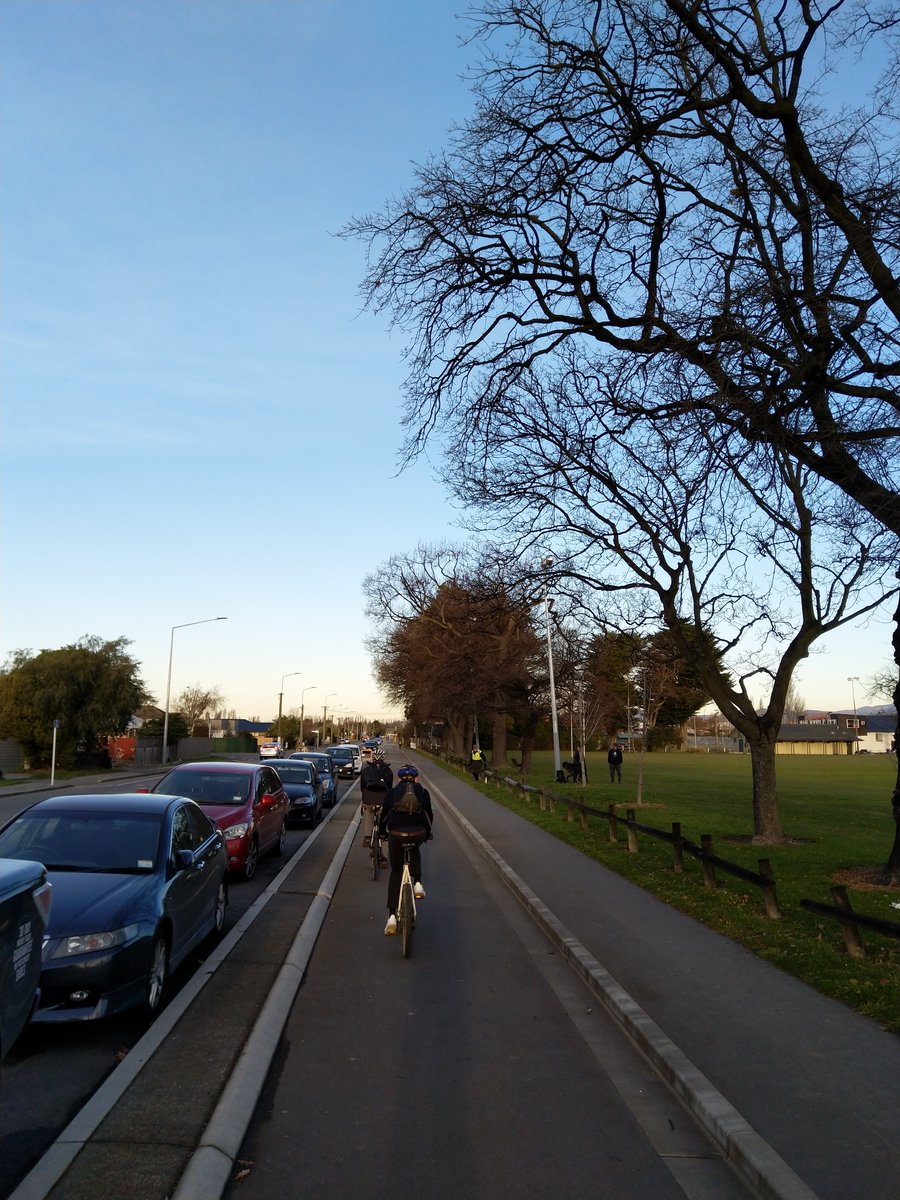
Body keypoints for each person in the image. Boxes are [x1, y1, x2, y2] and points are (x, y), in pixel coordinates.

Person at [378, 764, 433, 935]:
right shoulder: (423, 793)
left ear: (399, 779)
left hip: (396, 833)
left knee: (396, 872)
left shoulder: (392, 793)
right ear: (416, 778)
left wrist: (382, 833)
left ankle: (392, 916)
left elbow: (384, 815)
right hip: (417, 832)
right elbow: (429, 814)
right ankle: (417, 883)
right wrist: (427, 834)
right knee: (414, 847)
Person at [360, 751, 393, 865]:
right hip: (383, 801)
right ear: (383, 758)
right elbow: (390, 788)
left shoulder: (366, 770)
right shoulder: (388, 771)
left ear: (373, 758)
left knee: (368, 814)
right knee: (383, 829)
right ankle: (383, 858)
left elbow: (363, 787)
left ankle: (368, 836)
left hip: (369, 799)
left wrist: (364, 800)